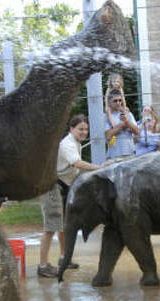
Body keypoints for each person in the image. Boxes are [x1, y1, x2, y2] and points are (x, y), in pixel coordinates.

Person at [37, 115, 102, 278]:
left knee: (65, 223)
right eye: (80, 129)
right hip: (51, 186)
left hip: (63, 185)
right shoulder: (67, 144)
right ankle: (42, 266)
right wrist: (99, 168)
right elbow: (77, 164)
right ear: (72, 129)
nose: (84, 132)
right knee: (51, 226)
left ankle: (63, 258)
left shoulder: (75, 143)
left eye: (86, 129)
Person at [104, 88, 140, 160]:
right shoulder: (105, 116)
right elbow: (108, 135)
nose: (118, 103)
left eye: (120, 100)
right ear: (109, 102)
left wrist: (126, 122)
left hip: (130, 152)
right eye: (115, 101)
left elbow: (137, 131)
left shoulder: (128, 114)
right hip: (114, 154)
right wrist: (123, 124)